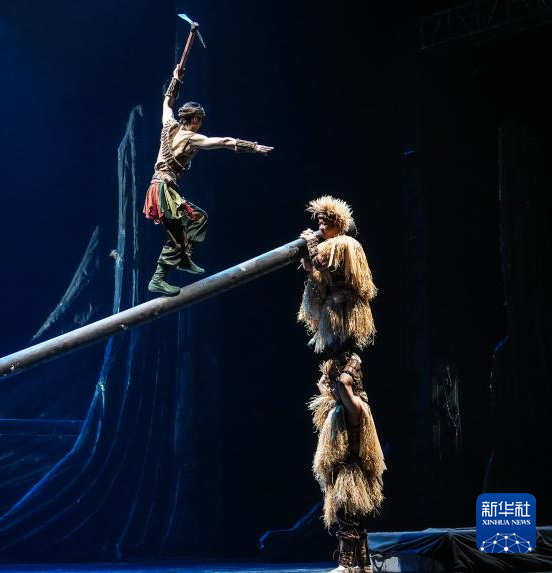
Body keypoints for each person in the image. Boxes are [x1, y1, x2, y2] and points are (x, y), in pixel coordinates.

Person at [298, 196, 385, 573]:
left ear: (338, 221)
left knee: (349, 506)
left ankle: (352, 565)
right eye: (317, 221)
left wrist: (311, 247)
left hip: (344, 312)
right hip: (334, 316)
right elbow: (315, 272)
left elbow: (323, 262)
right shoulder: (343, 396)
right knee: (347, 506)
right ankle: (360, 564)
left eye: (324, 221)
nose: (320, 226)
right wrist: (308, 256)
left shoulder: (346, 244)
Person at [143, 65, 273, 296]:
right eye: (200, 120)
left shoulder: (168, 125)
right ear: (194, 119)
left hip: (164, 188)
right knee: (177, 234)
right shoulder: (190, 138)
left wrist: (176, 78)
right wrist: (252, 147)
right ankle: (158, 278)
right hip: (163, 189)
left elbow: (167, 103)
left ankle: (184, 259)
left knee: (198, 218)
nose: (201, 123)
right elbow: (223, 142)